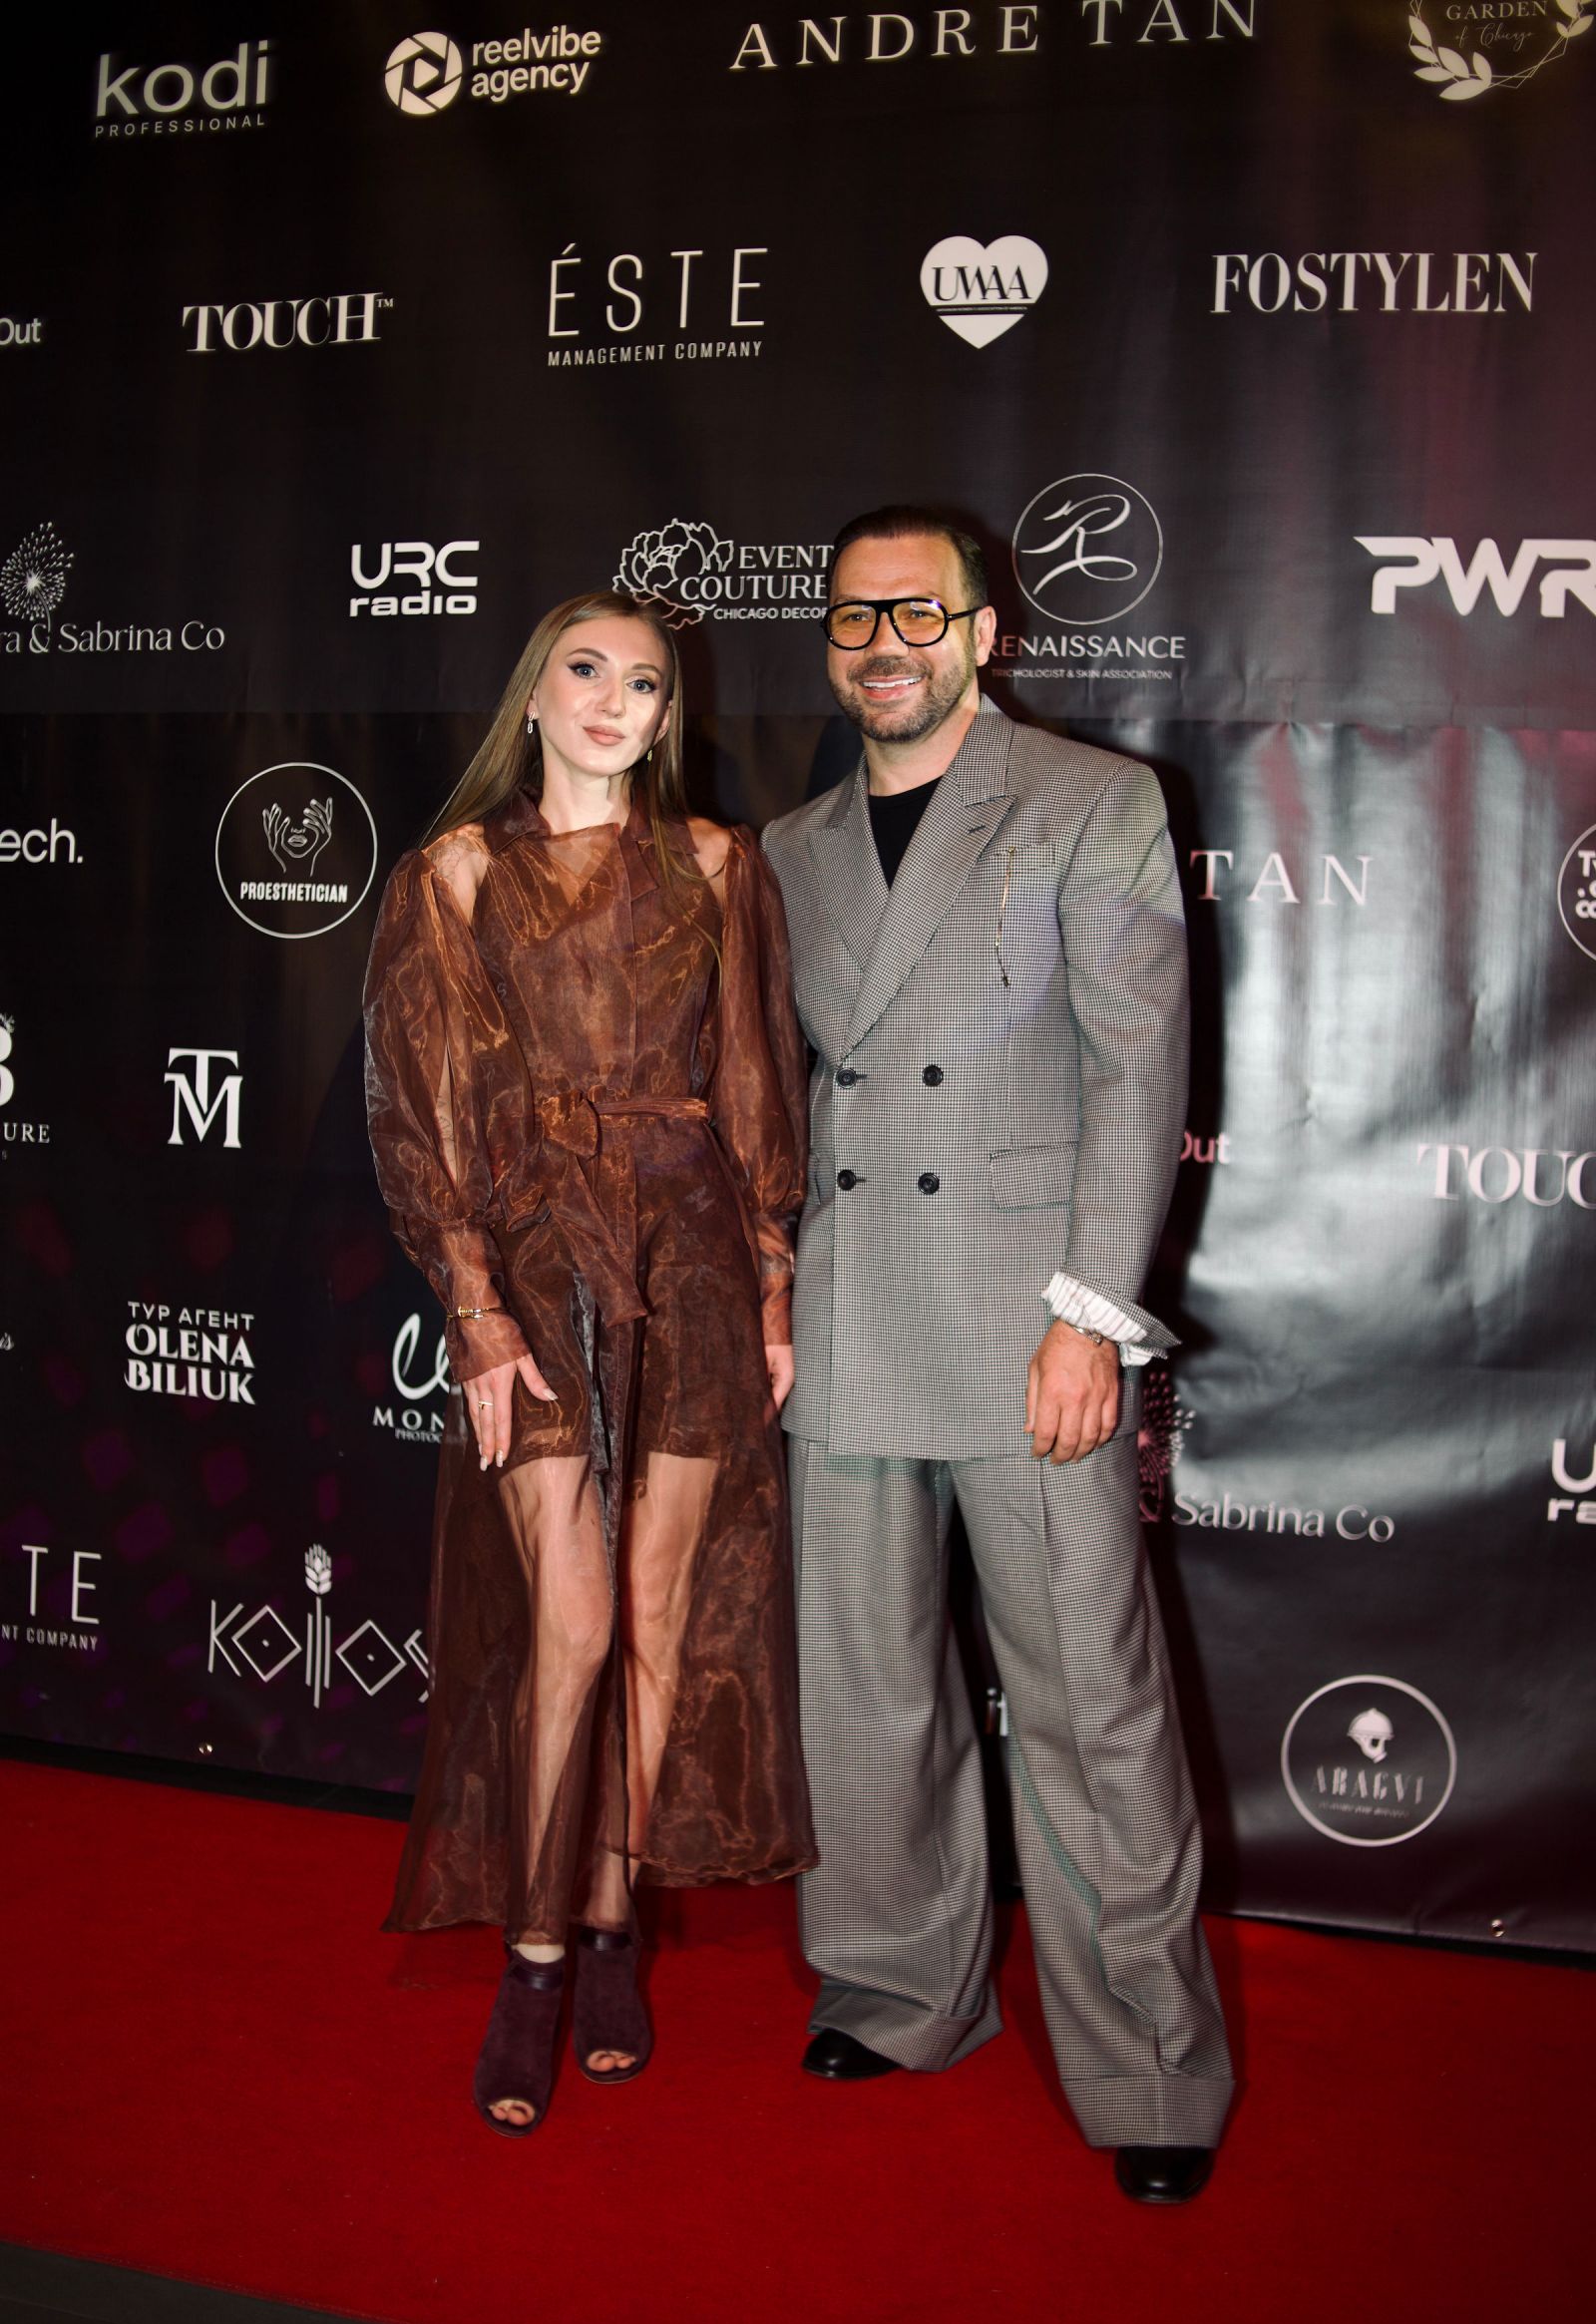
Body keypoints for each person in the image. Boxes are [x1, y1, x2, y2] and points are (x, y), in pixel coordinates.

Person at [761, 508, 1233, 2204]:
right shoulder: (793, 844)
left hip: (1026, 1321)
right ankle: (897, 1991)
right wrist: (769, 1292)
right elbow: (780, 1102)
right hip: (849, 1315)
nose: (882, 643)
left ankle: (1151, 2060)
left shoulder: (1090, 799)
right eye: (852, 617)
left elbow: (1138, 1070)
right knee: (862, 1692)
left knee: (1090, 1705)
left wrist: (1090, 1315)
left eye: (917, 613)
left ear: (982, 632)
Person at [364, 591, 815, 2137]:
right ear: (535, 694)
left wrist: (771, 1286)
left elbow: (753, 1086)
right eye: (587, 671)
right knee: (567, 1616)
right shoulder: (457, 874)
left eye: (646, 682)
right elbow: (420, 1114)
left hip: (692, 1259)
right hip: (539, 1258)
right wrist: (475, 1305)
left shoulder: (717, 865)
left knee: (657, 1614)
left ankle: (611, 1920)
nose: (617, 701)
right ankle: (536, 1952)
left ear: (667, 711)